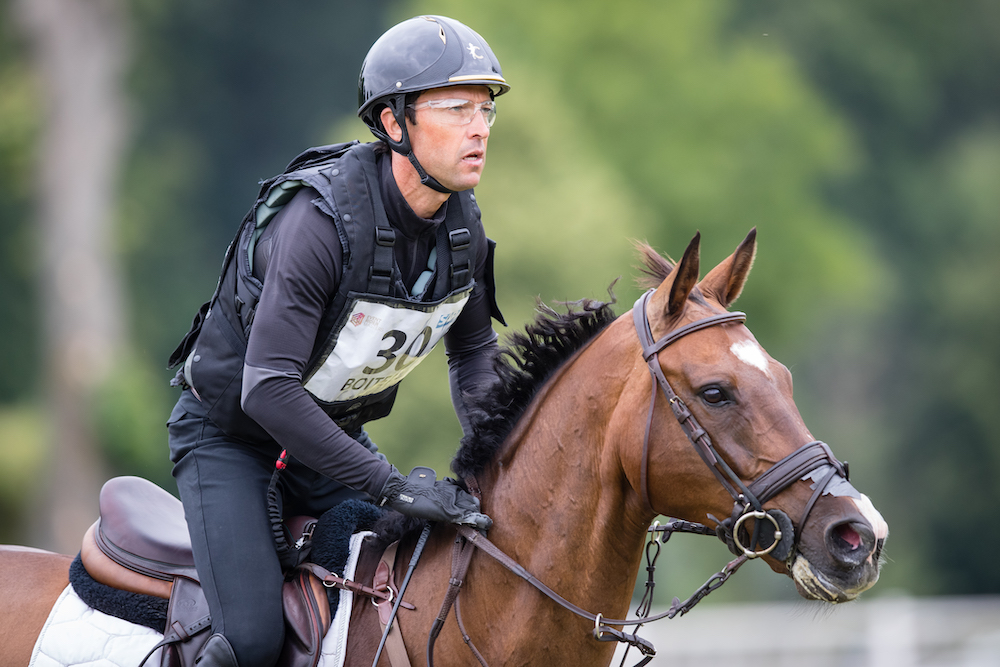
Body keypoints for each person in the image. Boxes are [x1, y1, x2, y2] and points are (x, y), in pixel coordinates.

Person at [164, 15, 509, 667]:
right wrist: (389, 483)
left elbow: (473, 355)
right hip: (231, 441)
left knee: (427, 571)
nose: (479, 127)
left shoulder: (462, 224)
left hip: (326, 440)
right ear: (392, 122)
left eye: (487, 109)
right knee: (251, 640)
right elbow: (267, 388)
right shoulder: (316, 224)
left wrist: (489, 466)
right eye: (457, 107)